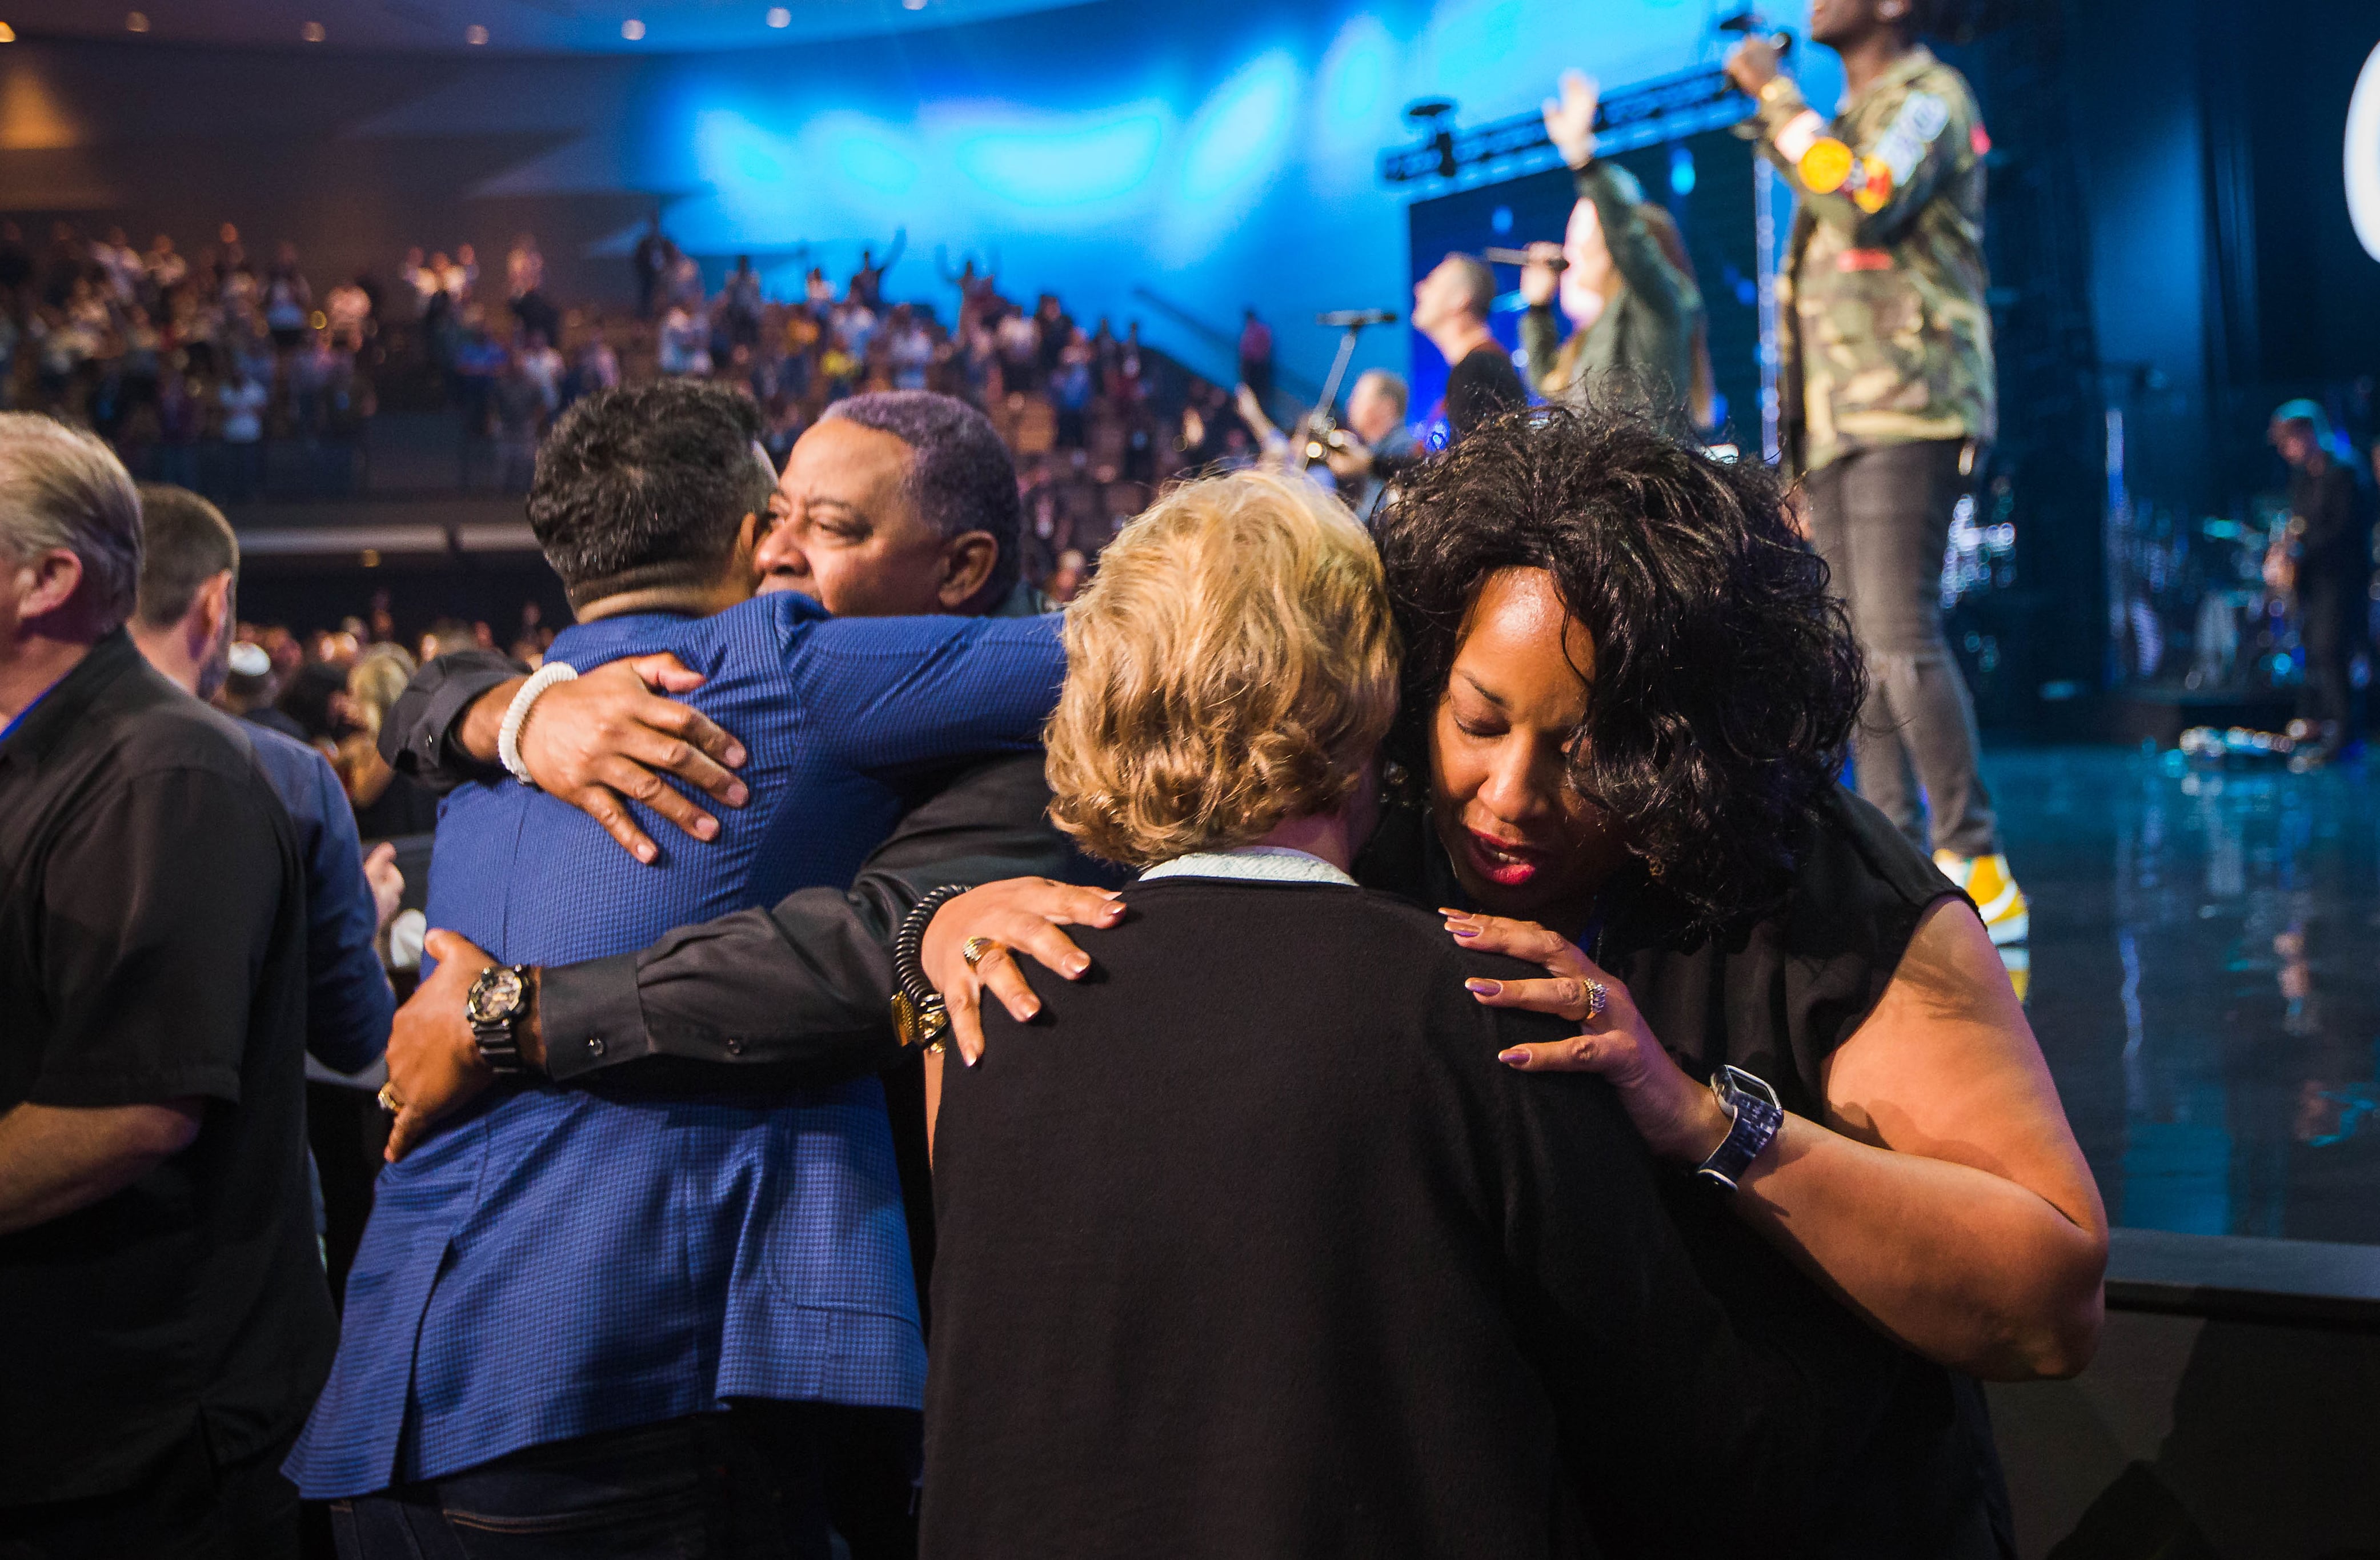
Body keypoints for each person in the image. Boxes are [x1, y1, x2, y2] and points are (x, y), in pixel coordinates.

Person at [921, 405, 2108, 1557]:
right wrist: (941, 926)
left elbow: (2050, 1298)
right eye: (1478, 722)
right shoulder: (1368, 839)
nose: (1510, 796)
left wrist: (1703, 1120)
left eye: (1589, 748)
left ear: (1687, 745)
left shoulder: (1815, 884)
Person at [285, 381, 1069, 1558]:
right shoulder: (771, 664)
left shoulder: (512, 735)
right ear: (753, 529)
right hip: (617, 1370)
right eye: (789, 520)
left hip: (390, 1402)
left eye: (837, 527)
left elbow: (428, 704)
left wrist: (505, 707)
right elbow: (1134, 650)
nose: (795, 551)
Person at [0, 416, 330, 1555]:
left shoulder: (163, 772)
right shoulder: (44, 758)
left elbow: (128, 1112)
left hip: (143, 1456)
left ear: (48, 578)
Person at [1727, 0, 2024, 942]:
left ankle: (1979, 861)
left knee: (1900, 632)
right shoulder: (1841, 121)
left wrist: (1777, 97)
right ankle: (1896, 864)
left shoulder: (1930, 96)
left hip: (1912, 400)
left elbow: (1864, 195)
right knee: (1855, 648)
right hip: (1842, 417)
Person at [130, 483, 403, 1297]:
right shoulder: (286, 779)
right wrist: (361, 915)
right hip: (239, 1245)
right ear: (215, 605)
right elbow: (357, 1032)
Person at [1519, 72, 1708, 423]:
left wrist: (1583, 158)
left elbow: (1626, 238)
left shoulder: (1657, 305)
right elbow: (1552, 385)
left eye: (1585, 243)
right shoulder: (1596, 328)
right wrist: (1538, 310)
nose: (1572, 255)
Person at [1332, 254, 1525, 492]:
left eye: (1432, 282)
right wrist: (1371, 464)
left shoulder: (1478, 369)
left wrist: (1372, 464)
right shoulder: (1479, 366)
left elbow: (1467, 471)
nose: (1419, 288)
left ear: (1459, 299)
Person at [2267, 400, 2369, 767]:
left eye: (2288, 440)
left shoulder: (2344, 471)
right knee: (2314, 648)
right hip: (2316, 580)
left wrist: (2301, 551)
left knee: (2332, 650)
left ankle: (2345, 735)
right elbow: (2300, 524)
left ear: (2308, 433)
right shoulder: (2303, 477)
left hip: (2343, 579)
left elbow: (2344, 530)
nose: (2284, 450)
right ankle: (2317, 725)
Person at [1324, 367, 1419, 522]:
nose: (1350, 403)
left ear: (1386, 407)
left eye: (1358, 397)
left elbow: (1377, 519)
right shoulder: (1378, 449)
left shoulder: (1403, 451)